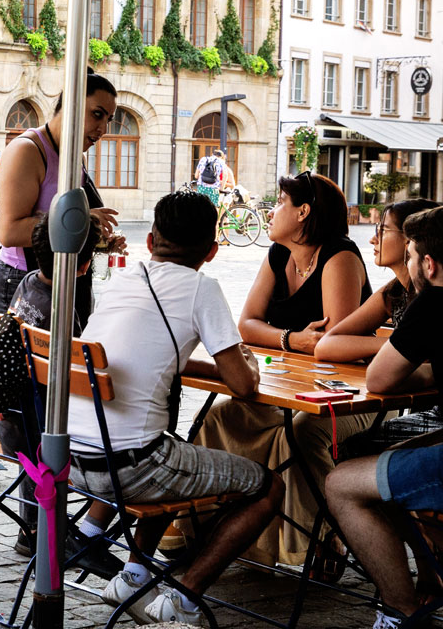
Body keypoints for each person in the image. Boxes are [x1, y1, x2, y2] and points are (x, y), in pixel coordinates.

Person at [68, 191, 283, 624]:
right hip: (132, 467)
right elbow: (242, 384)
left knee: (173, 449)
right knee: (268, 487)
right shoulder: (202, 287)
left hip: (71, 458)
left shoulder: (126, 279)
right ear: (212, 251)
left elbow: (151, 350)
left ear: (150, 242)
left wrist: (216, 365)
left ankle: (131, 576)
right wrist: (248, 367)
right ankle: (185, 598)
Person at [190, 171, 372, 573]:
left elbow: (335, 349)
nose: (271, 212)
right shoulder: (277, 255)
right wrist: (292, 340)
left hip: (351, 397)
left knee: (305, 430)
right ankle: (207, 526)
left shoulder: (339, 257)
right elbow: (247, 325)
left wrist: (289, 342)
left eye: (280, 204)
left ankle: (326, 538)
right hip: (290, 384)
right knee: (221, 415)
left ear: (303, 213)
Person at [325, 205, 443, 629]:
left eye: (410, 255)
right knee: (365, 454)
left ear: (428, 264)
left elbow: (379, 379)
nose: (409, 265)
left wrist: (412, 358)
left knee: (341, 483)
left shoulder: (433, 302)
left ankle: (402, 613)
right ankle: (430, 571)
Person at [0, 215, 121, 578]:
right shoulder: (61, 314)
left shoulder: (30, 284)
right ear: (83, 264)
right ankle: (86, 539)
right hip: (43, 440)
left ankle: (75, 534)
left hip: (11, 426)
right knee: (127, 447)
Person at [0, 70, 124, 323]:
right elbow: (9, 232)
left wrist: (96, 239)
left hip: (61, 281)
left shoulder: (75, 156)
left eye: (109, 119)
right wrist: (81, 219)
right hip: (18, 281)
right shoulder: (27, 151)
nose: (103, 129)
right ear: (70, 105)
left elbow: (62, 229)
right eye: (97, 114)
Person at [316, 199, 440, 363]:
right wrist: (397, 345)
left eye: (383, 230)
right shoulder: (394, 292)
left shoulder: (432, 296)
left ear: (409, 240)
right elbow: (325, 346)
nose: (373, 239)